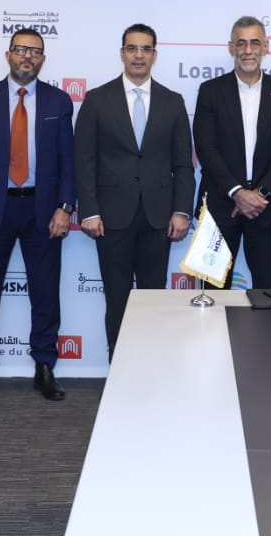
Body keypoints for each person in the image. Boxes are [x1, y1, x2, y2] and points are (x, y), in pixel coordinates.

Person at [0, 28, 76, 403]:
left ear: (43, 59)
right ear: (8, 54)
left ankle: (44, 368)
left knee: (45, 295)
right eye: (21, 50)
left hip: (43, 210)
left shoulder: (59, 101)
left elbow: (68, 161)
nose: (28, 56)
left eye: (35, 52)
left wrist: (65, 207)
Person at [75, 23, 194, 353]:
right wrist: (89, 210)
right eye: (132, 48)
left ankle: (151, 367)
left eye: (145, 49)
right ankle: (119, 370)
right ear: (122, 53)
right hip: (111, 217)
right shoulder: (97, 100)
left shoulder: (173, 102)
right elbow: (83, 161)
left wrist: (181, 211)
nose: (138, 55)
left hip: (159, 218)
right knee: (117, 299)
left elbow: (183, 164)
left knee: (154, 300)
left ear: (154, 55)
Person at [193, 17, 271, 290]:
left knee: (269, 296)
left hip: (267, 208)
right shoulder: (210, 91)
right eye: (241, 43)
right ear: (231, 48)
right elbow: (206, 148)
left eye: (254, 43)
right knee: (212, 296)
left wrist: (260, 194)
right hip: (220, 208)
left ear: (265, 47)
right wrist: (237, 192)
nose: (248, 50)